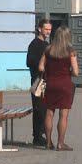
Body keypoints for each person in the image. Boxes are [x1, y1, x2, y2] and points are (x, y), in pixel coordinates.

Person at [39, 26, 79, 150]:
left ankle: (48, 142)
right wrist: (68, 72)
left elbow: (40, 67)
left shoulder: (48, 50)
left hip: (50, 84)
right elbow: (76, 72)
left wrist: (50, 71)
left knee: (49, 113)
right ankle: (60, 143)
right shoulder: (71, 51)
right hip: (65, 85)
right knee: (63, 115)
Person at [26, 19, 52, 147]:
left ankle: (40, 135)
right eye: (46, 29)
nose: (48, 32)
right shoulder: (34, 44)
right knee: (39, 109)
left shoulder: (46, 44)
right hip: (38, 80)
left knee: (44, 109)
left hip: (46, 80)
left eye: (50, 29)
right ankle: (37, 136)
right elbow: (29, 62)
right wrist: (42, 64)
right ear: (39, 29)